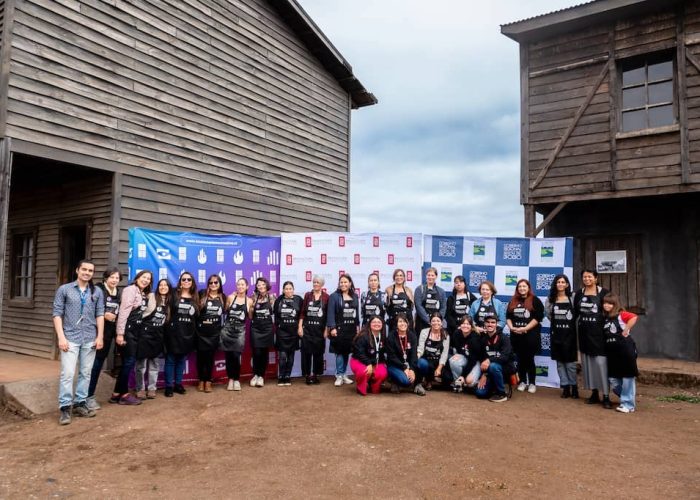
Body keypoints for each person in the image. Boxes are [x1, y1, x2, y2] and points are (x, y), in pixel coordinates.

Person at [52, 259, 105, 425]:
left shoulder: (96, 292)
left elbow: (100, 314)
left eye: (90, 271)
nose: (87, 273)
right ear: (77, 270)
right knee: (67, 374)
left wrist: (100, 336)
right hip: (70, 337)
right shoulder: (65, 289)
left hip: (89, 337)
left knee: (85, 373)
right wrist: (61, 337)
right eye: (84, 269)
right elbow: (57, 314)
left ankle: (80, 403)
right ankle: (65, 407)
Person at [110, 270, 152, 405]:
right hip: (127, 330)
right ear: (137, 278)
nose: (145, 280)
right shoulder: (130, 289)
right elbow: (123, 312)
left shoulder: (141, 292)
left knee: (126, 363)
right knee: (129, 362)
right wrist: (120, 333)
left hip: (135, 331)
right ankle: (124, 395)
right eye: (143, 277)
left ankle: (116, 394)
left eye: (148, 279)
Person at [574, 269, 612, 409]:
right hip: (584, 334)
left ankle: (606, 396)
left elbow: (611, 309)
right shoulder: (579, 293)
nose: (587, 279)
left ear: (596, 278)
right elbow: (575, 312)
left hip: (600, 334)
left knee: (601, 364)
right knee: (588, 365)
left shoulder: (604, 292)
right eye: (584, 277)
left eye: (590, 276)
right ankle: (594, 393)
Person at [86, 267, 121, 411]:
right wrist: (104, 314)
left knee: (99, 363)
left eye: (117, 278)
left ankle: (88, 396)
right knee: (94, 366)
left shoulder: (118, 292)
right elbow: (89, 307)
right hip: (96, 333)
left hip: (110, 333)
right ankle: (88, 397)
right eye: (112, 277)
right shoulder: (98, 289)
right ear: (105, 278)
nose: (114, 280)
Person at [602, 294, 639, 414]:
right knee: (613, 380)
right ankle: (626, 398)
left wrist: (625, 329)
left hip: (625, 350)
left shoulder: (621, 314)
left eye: (610, 303)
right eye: (605, 303)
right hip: (612, 353)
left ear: (615, 304)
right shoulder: (606, 318)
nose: (607, 305)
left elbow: (633, 317)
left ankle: (628, 405)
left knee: (627, 378)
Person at [506, 279, 544, 394]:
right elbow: (508, 316)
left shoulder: (535, 300)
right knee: (520, 359)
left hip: (530, 336)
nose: (522, 288)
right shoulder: (513, 301)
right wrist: (511, 327)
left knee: (529, 359)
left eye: (524, 286)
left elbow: (538, 318)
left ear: (528, 288)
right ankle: (522, 381)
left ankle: (532, 383)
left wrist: (525, 328)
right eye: (520, 287)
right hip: (516, 336)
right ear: (517, 289)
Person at [164, 272, 198, 397]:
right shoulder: (174, 294)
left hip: (188, 333)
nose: (186, 281)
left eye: (189, 279)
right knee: (171, 360)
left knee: (182, 360)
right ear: (180, 281)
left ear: (192, 282)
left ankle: (178, 384)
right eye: (184, 279)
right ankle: (168, 386)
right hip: (173, 332)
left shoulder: (196, 296)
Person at [545, 274, 579, 399]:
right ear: (555, 284)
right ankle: (565, 387)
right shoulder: (550, 299)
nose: (560, 284)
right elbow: (549, 315)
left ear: (567, 284)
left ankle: (574, 386)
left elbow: (577, 314)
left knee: (570, 363)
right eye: (558, 282)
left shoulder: (573, 297)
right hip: (556, 334)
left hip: (570, 335)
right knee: (560, 363)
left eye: (562, 282)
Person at [135, 278, 170, 399]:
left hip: (158, 335)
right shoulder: (151, 296)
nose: (163, 287)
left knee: (154, 364)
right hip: (145, 333)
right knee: (141, 365)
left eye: (166, 285)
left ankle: (152, 388)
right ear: (157, 287)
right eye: (161, 285)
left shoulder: (170, 301)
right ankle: (140, 388)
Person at [327, 274, 359, 386]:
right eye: (341, 282)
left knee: (346, 352)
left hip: (350, 329)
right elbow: (330, 313)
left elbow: (356, 314)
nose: (343, 284)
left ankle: (344, 374)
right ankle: (339, 375)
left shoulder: (355, 296)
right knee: (339, 352)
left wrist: (357, 327)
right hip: (339, 329)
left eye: (345, 282)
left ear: (350, 283)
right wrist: (332, 327)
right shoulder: (334, 296)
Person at [196, 274, 226, 393]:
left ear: (219, 284)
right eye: (211, 282)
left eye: (216, 282)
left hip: (214, 332)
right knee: (200, 358)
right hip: (201, 331)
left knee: (209, 358)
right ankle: (201, 380)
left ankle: (208, 381)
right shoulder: (202, 294)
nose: (213, 284)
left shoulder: (223, 297)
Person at [475, 315, 515, 403]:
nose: (490, 324)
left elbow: (505, 357)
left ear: (496, 324)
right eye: (488, 322)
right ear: (484, 324)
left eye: (493, 322)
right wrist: (485, 374)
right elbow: (482, 358)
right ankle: (494, 387)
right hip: (489, 371)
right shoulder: (483, 339)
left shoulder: (504, 338)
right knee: (480, 393)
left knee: (493, 366)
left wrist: (489, 360)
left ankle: (502, 393)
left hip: (505, 368)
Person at [221, 278, 252, 391]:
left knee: (236, 356)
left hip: (240, 331)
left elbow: (250, 317)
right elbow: (224, 311)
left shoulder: (249, 301)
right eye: (238, 284)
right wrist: (227, 304)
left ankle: (237, 379)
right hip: (228, 330)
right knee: (228, 356)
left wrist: (251, 308)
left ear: (247, 287)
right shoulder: (230, 297)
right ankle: (230, 379)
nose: (240, 286)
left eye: (242, 284)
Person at [298, 275, 329, 385]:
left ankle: (315, 375)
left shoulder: (326, 297)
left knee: (318, 353)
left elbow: (327, 316)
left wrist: (326, 330)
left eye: (318, 282)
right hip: (307, 329)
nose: (315, 284)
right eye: (314, 282)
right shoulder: (307, 295)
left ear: (322, 284)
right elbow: (302, 313)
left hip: (319, 330)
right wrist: (300, 326)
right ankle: (307, 375)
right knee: (306, 353)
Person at [274, 281, 303, 386]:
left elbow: (302, 314)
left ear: (293, 290)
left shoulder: (298, 299)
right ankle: (281, 376)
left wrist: (300, 327)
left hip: (293, 333)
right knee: (282, 356)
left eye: (290, 288)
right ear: (283, 290)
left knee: (291, 356)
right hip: (282, 333)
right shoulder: (279, 300)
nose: (288, 290)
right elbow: (276, 316)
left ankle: (287, 376)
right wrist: (279, 326)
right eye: (286, 288)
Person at [350, 316, 388, 395]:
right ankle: (361, 387)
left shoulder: (383, 337)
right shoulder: (363, 336)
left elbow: (381, 354)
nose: (376, 324)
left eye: (379, 322)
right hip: (359, 361)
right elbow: (359, 353)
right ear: (369, 324)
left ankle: (373, 386)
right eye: (374, 322)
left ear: (382, 325)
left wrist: (378, 364)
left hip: (375, 362)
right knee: (363, 371)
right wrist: (368, 364)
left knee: (382, 373)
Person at [448, 315, 486, 394]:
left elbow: (472, 360)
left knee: (469, 382)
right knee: (453, 360)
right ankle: (458, 382)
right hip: (465, 358)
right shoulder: (457, 333)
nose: (465, 326)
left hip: (476, 362)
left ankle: (469, 381)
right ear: (460, 325)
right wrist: (456, 354)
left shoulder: (475, 338)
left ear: (471, 326)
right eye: (463, 323)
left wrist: (463, 375)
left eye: (468, 324)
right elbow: (451, 346)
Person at [249, 276, 275, 388]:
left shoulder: (272, 297)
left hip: (267, 328)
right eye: (258, 285)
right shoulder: (253, 297)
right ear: (256, 286)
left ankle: (261, 376)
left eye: (263, 284)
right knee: (256, 352)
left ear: (266, 285)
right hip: (256, 328)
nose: (261, 286)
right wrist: (250, 309)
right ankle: (255, 374)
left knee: (264, 353)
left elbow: (275, 314)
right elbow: (250, 316)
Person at [415, 312, 450, 395]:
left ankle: (434, 378)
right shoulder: (424, 332)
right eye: (433, 321)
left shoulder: (445, 334)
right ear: (430, 322)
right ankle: (428, 381)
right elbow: (420, 348)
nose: (436, 323)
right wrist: (416, 358)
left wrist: (439, 368)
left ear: (441, 322)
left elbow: (445, 354)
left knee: (448, 379)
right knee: (423, 364)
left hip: (438, 361)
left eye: (438, 321)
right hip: (427, 359)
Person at [384, 313, 419, 394]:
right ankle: (393, 380)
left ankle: (418, 383)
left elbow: (414, 354)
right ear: (396, 324)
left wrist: (412, 370)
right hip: (395, 365)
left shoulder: (412, 336)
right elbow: (392, 357)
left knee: (421, 364)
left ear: (408, 323)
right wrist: (404, 368)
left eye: (404, 321)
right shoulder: (391, 337)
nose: (402, 324)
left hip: (408, 364)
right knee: (406, 382)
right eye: (400, 322)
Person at [414, 267, 447, 334]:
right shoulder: (419, 289)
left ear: (436, 276)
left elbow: (443, 307)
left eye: (432, 275)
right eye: (428, 275)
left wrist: (437, 320)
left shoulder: (441, 291)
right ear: (426, 276)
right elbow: (418, 306)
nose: (430, 277)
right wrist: (428, 320)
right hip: (422, 322)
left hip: (436, 324)